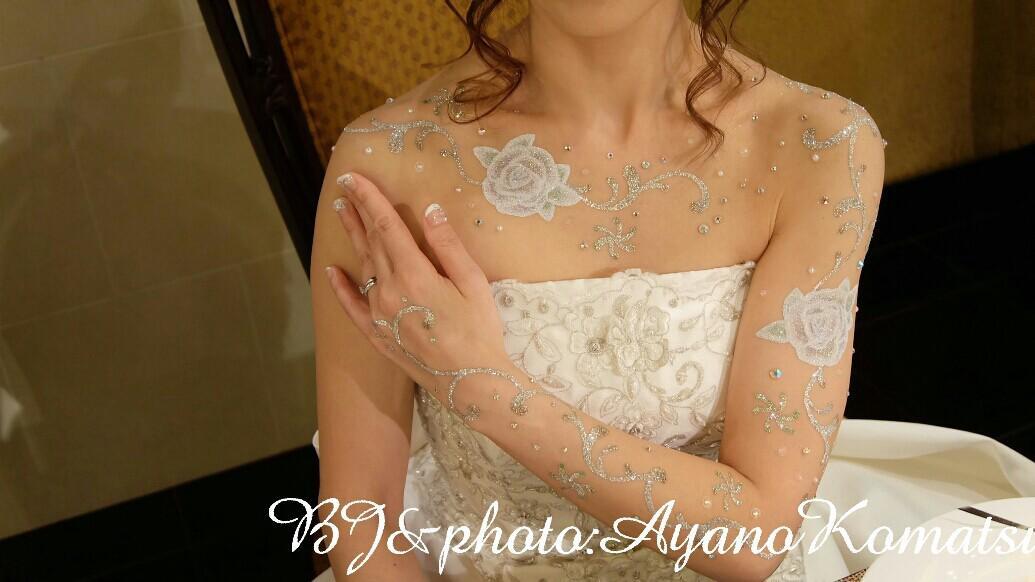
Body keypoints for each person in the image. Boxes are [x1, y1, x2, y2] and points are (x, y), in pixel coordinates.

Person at [308, 2, 1035, 580]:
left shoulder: (818, 145)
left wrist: (480, 386)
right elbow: (361, 520)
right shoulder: (385, 164)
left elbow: (755, 539)